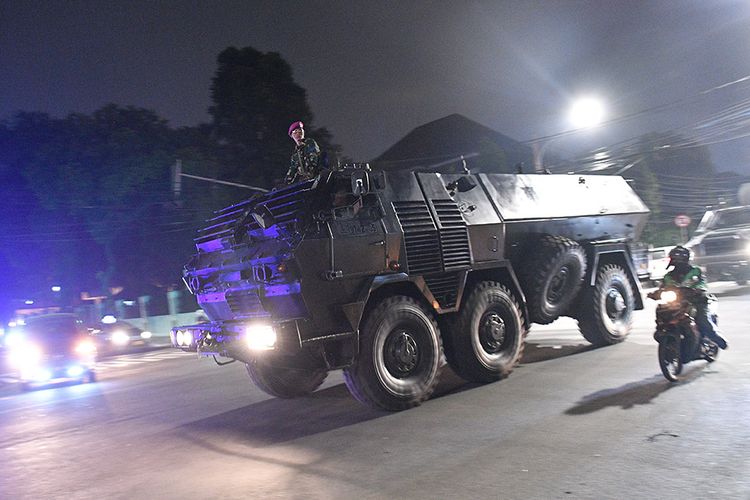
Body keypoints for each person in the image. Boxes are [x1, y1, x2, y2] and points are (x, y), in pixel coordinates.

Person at [658, 245, 728, 349]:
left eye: (680, 259)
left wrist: (698, 289)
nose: (677, 261)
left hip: (696, 301)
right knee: (661, 312)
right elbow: (663, 287)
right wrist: (656, 293)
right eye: (675, 258)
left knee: (702, 321)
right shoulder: (668, 276)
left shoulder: (695, 271)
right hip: (676, 303)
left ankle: (717, 339)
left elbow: (702, 283)